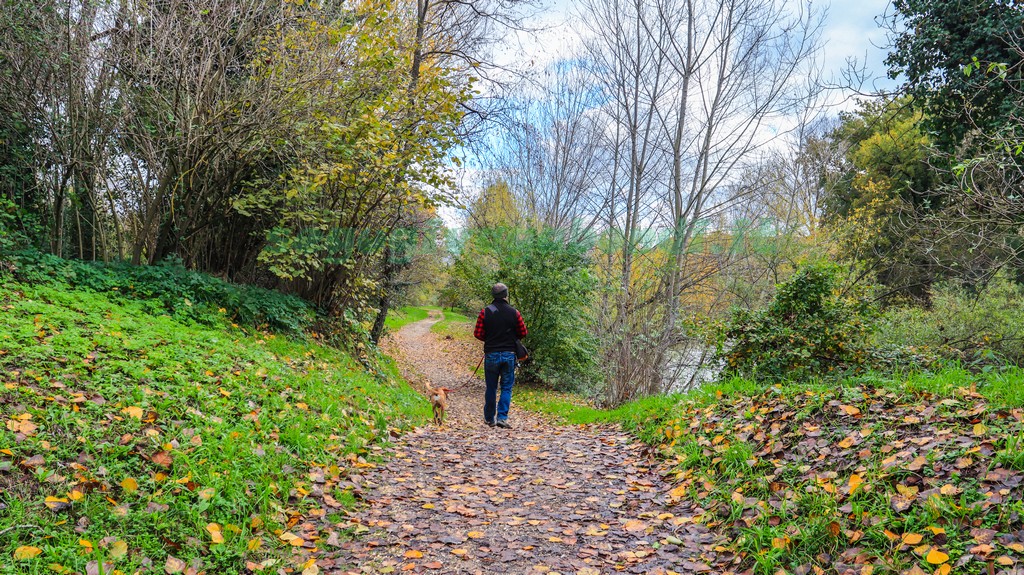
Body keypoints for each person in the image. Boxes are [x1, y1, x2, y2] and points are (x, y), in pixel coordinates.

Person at [473, 282, 528, 429]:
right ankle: (502, 418)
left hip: (491, 354)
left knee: (491, 387)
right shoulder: (514, 313)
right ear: (506, 295)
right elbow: (523, 332)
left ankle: (490, 419)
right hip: (509, 354)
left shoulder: (485, 312)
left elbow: (477, 333)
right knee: (506, 388)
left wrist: (490, 339)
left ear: (493, 295)